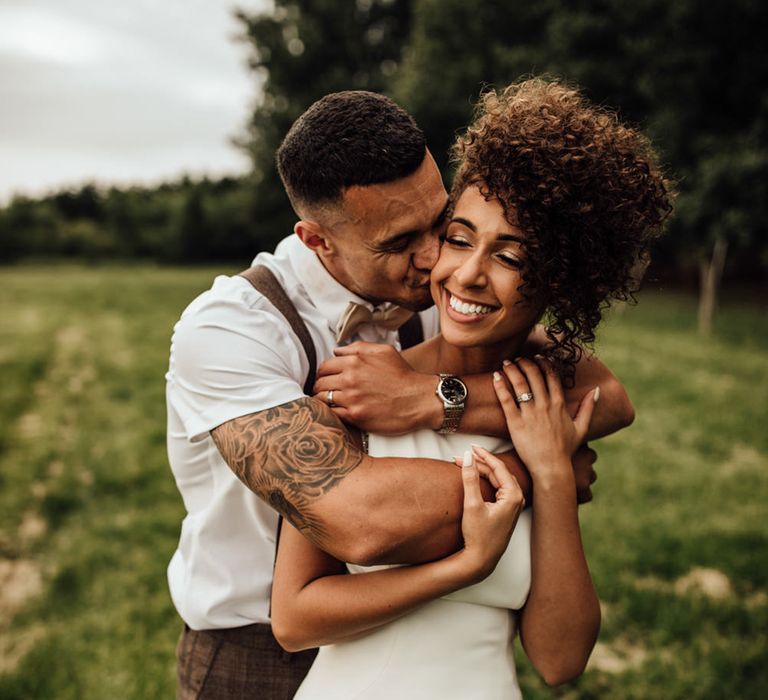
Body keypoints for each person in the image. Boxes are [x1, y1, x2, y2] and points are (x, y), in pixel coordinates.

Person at [165, 90, 635, 698]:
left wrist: (437, 399)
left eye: (439, 224)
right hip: (251, 650)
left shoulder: (443, 304)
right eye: (398, 241)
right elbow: (357, 519)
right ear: (318, 240)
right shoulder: (232, 328)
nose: (436, 257)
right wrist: (542, 467)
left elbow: (609, 397)